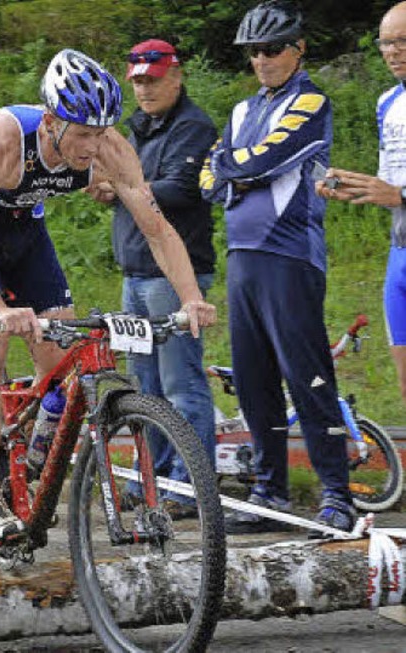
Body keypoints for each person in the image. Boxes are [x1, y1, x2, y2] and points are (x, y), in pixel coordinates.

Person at [0, 49, 216, 541]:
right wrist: (0, 309)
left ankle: (30, 454)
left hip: (26, 234)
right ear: (51, 122)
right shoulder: (3, 141)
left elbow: (157, 228)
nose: (93, 146)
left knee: (58, 357)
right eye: (83, 134)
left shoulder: (110, 147)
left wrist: (190, 297)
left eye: (101, 131)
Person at [200, 0, 355, 533]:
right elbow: (209, 175)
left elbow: (266, 158)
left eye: (272, 50)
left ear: (298, 49)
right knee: (253, 382)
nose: (262, 60)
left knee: (308, 377)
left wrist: (237, 170)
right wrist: (236, 171)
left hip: (289, 255)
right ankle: (271, 493)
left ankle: (338, 494)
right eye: (254, 52)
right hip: (242, 258)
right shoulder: (242, 111)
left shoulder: (311, 100)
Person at [88, 39, 218, 515]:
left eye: (154, 79)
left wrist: (117, 187)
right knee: (145, 389)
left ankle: (189, 486)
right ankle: (153, 479)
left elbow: (181, 190)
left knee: (182, 383)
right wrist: (110, 186)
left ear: (176, 77)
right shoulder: (136, 129)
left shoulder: (193, 127)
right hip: (135, 275)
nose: (146, 89)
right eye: (139, 81)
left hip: (175, 278)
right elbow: (120, 181)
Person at [316, 1, 406, 411]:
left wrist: (401, 196)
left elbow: (399, 193)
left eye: (403, 41)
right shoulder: (387, 102)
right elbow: (389, 185)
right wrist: (350, 188)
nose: (393, 52)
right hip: (399, 254)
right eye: (386, 43)